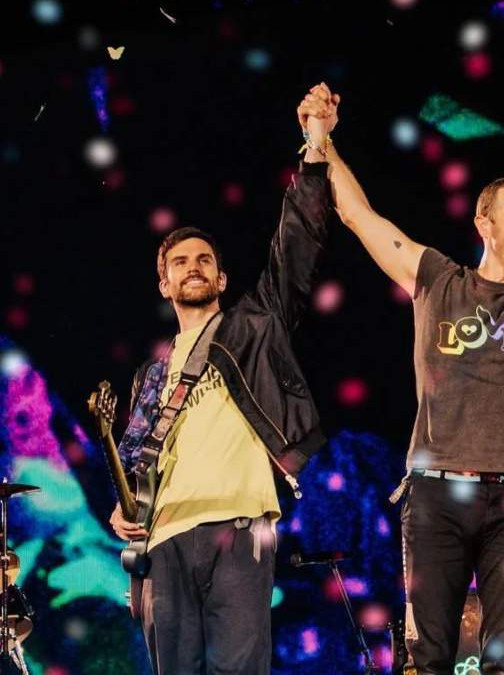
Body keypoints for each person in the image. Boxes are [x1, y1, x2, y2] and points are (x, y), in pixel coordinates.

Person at [299, 64, 504, 673]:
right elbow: (359, 216)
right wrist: (322, 140)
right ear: (484, 224)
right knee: (428, 654)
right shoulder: (436, 280)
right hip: (436, 492)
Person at [107, 85, 336, 674]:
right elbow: (133, 460)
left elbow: (296, 246)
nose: (193, 267)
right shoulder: (151, 376)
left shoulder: (253, 326)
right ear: (164, 284)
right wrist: (121, 509)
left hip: (240, 525)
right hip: (163, 540)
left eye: (204, 259)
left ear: (222, 278)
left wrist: (315, 146)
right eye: (180, 262)